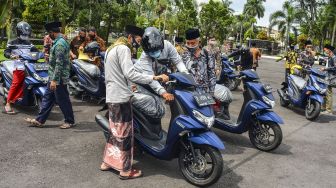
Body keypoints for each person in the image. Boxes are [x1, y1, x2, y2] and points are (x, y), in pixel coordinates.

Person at [100, 25, 169, 179]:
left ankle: (106, 162)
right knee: (124, 135)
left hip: (112, 96)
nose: (138, 43)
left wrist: (128, 84)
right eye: (138, 40)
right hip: (121, 98)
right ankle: (125, 170)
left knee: (114, 133)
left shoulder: (111, 48)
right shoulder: (124, 49)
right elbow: (130, 73)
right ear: (131, 37)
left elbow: (116, 73)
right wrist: (155, 77)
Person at [24, 21, 75, 129]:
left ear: (52, 32)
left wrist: (54, 80)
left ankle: (69, 121)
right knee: (47, 98)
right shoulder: (58, 41)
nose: (48, 35)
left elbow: (59, 64)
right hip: (53, 76)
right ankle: (40, 120)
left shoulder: (60, 43)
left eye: (49, 33)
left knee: (62, 100)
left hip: (58, 78)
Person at [182, 28, 231, 120]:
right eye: (188, 43)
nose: (190, 46)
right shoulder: (184, 54)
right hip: (188, 92)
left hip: (204, 92)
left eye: (193, 43)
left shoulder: (207, 54)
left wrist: (211, 94)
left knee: (205, 117)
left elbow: (211, 75)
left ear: (199, 42)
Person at [134, 27, 188, 102]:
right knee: (153, 104)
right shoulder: (145, 56)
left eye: (156, 50)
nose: (154, 53)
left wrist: (185, 74)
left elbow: (177, 61)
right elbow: (150, 78)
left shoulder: (168, 46)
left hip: (157, 76)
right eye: (151, 52)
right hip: (141, 80)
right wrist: (163, 93)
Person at [2, 21, 38, 114]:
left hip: (30, 66)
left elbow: (36, 51)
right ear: (18, 32)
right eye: (23, 34)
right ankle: (8, 104)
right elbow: (6, 52)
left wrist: (42, 54)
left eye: (27, 34)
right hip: (19, 67)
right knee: (16, 83)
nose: (25, 36)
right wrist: (11, 55)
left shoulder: (29, 43)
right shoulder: (12, 42)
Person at [321, 44, 336, 115]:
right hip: (328, 77)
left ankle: (328, 110)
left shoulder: (333, 57)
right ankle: (324, 108)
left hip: (331, 78)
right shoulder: (329, 57)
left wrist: (325, 69)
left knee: (328, 93)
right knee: (325, 92)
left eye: (325, 50)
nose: (325, 51)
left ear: (329, 50)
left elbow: (335, 67)